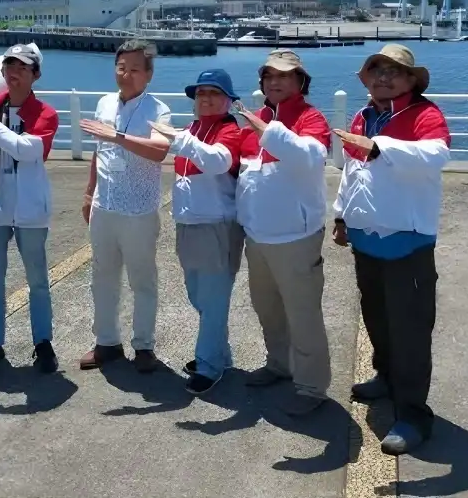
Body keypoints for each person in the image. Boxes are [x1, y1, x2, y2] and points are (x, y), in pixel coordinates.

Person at [331, 43, 451, 456]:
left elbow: (437, 155)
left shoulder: (424, 114)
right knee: (377, 316)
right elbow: (353, 169)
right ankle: (385, 378)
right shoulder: (364, 115)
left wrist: (381, 146)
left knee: (412, 332)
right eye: (376, 70)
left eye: (393, 72)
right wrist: (342, 214)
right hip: (368, 240)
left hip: (408, 241)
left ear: (411, 80)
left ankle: (414, 415)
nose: (384, 78)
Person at [234, 48, 333, 416]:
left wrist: (268, 130)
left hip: (296, 237)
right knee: (268, 308)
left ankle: (311, 387)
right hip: (257, 237)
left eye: (284, 76)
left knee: (303, 314)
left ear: (300, 82)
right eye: (269, 76)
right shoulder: (253, 119)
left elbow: (310, 155)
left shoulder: (310, 118)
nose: (275, 82)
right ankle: (279, 364)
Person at [0, 43, 61, 374]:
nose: (13, 72)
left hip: (31, 209)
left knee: (37, 280)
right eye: (8, 66)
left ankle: (43, 344)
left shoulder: (45, 113)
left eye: (22, 66)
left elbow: (27, 151)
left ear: (36, 74)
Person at [78, 39, 173, 373]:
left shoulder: (157, 110)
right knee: (102, 277)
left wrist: (115, 136)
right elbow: (98, 152)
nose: (126, 74)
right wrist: (89, 193)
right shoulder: (104, 103)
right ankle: (106, 342)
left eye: (135, 69)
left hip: (139, 210)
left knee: (142, 279)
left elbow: (160, 151)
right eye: (121, 68)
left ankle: (144, 345)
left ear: (148, 74)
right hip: (105, 206)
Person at [149, 68, 245, 394]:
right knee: (197, 294)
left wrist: (179, 139)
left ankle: (209, 364)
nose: (205, 98)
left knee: (214, 298)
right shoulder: (193, 129)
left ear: (229, 101)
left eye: (214, 93)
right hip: (189, 224)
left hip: (217, 225)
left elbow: (218, 161)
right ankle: (220, 353)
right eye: (201, 93)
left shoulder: (229, 130)